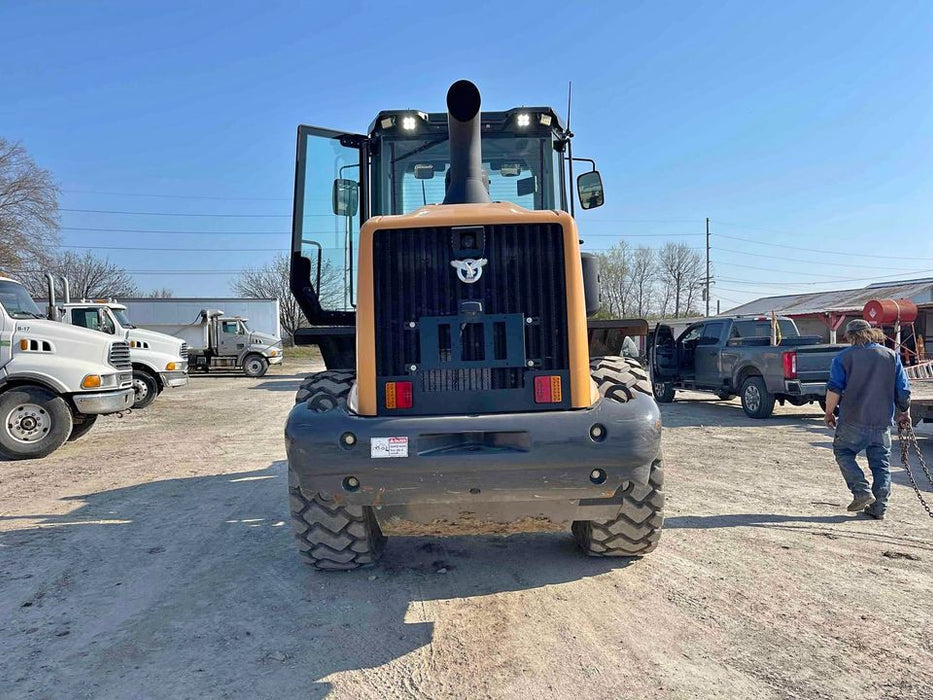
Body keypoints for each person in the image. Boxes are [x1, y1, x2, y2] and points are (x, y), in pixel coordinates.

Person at [824, 319, 911, 519]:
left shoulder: (843, 357)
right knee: (881, 464)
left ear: (849, 336)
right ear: (871, 333)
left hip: (853, 420)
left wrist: (829, 413)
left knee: (843, 451)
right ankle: (879, 507)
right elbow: (903, 391)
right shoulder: (891, 356)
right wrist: (903, 412)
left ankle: (861, 491)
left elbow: (834, 389)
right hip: (881, 422)